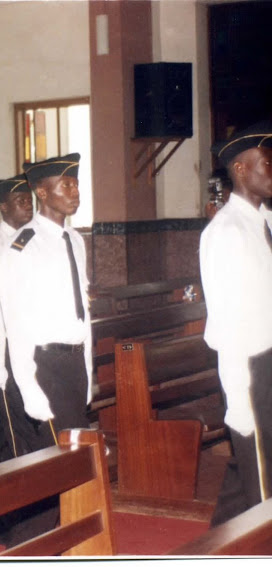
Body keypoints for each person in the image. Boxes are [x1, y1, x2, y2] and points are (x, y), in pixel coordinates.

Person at [0, 154, 92, 544]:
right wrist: (28, 386)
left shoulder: (76, 240)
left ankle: (61, 540)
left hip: (72, 363)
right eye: (65, 185)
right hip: (43, 366)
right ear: (41, 192)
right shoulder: (24, 246)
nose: (74, 192)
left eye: (76, 184)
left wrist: (87, 370)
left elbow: (81, 312)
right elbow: (14, 322)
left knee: (71, 461)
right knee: (57, 465)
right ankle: (25, 547)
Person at [200, 121, 272, 526]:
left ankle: (212, 546)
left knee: (251, 466)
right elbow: (225, 322)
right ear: (241, 169)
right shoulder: (225, 232)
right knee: (263, 486)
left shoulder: (266, 222)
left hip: (271, 359)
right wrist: (238, 399)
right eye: (267, 163)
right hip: (250, 367)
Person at [0, 174, 43, 465]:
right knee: (18, 426)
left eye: (29, 201)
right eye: (20, 202)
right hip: (7, 346)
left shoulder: (30, 239)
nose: (27, 207)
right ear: (4, 207)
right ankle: (28, 502)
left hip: (30, 340)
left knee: (12, 427)